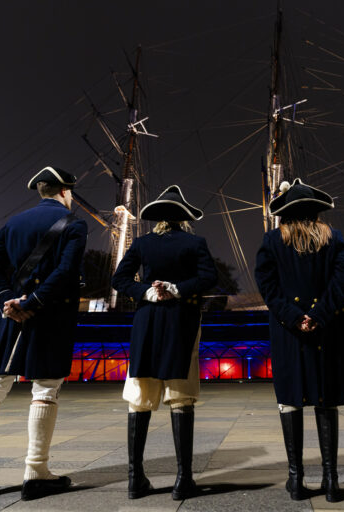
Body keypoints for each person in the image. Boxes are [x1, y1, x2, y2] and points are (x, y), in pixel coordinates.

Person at [0, 166, 87, 502]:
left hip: (11, 315)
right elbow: (67, 270)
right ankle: (36, 472)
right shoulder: (74, 223)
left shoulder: (12, 223)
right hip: (52, 314)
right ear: (65, 192)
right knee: (45, 388)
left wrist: (8, 302)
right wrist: (35, 302)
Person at [111, 185, 218, 501]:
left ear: (157, 219)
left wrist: (146, 291)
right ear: (184, 218)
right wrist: (177, 288)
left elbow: (119, 280)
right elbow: (209, 278)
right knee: (181, 395)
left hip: (147, 321)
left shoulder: (142, 244)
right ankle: (183, 479)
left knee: (140, 396)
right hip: (181, 321)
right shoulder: (195, 242)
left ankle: (135, 479)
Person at [254, 178, 344, 502]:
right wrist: (319, 315)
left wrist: (295, 317)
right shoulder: (335, 239)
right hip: (329, 329)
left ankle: (296, 480)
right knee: (325, 399)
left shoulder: (271, 242)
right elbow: (341, 283)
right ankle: (331, 480)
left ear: (284, 213)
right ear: (316, 212)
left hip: (288, 332)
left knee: (290, 399)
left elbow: (268, 289)